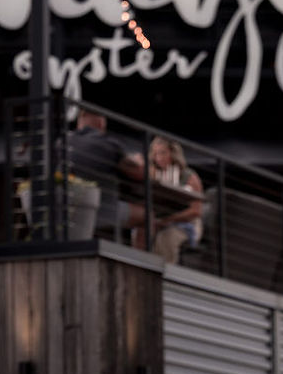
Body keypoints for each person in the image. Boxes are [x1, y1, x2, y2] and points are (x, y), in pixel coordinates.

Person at [65, 107, 144, 240]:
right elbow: (139, 173)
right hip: (102, 211)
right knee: (147, 215)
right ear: (102, 123)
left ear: (79, 123)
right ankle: (139, 259)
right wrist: (139, 160)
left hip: (66, 211)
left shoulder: (62, 141)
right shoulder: (106, 143)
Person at [133, 135, 206, 264]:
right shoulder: (153, 173)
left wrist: (168, 220)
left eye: (163, 153)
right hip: (159, 219)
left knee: (165, 238)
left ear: (173, 153)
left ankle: (165, 276)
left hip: (185, 223)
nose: (159, 158)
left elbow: (196, 211)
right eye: (155, 154)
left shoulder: (189, 176)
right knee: (139, 232)